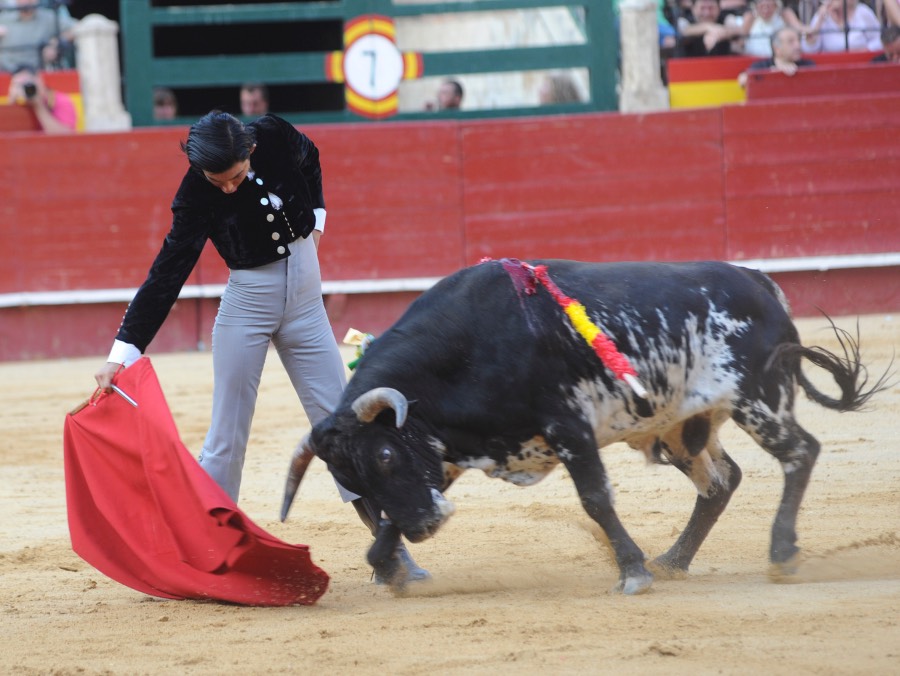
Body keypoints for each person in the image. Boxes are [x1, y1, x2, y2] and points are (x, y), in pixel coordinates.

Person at [92, 111, 429, 585]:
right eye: (216, 180)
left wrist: (317, 215)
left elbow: (311, 157)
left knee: (343, 424)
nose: (226, 188)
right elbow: (168, 272)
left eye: (232, 177)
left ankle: (388, 553)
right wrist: (122, 352)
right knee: (227, 436)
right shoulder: (195, 194)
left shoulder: (273, 135)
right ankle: (209, 556)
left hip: (307, 305)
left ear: (249, 151)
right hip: (247, 306)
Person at [0, 0, 76, 72]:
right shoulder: (4, 18)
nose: (26, 1)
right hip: (5, 73)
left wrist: (55, 43)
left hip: (40, 73)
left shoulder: (48, 17)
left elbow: (77, 29)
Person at [5, 63, 76, 132]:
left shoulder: (59, 100)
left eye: (28, 84)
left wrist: (39, 106)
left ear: (39, 79)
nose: (26, 89)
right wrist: (11, 105)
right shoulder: (18, 103)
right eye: (20, 85)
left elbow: (65, 137)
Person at [738, 26, 815, 86]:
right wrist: (772, 74)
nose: (798, 46)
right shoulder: (760, 67)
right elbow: (743, 80)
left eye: (798, 41)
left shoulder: (808, 65)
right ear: (777, 48)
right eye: (791, 42)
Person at [802, 0, 881, 52]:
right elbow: (808, 49)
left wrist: (866, 49)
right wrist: (819, 21)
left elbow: (880, 40)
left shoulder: (863, 12)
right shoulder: (822, 16)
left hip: (862, 65)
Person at [676, 0, 745, 56]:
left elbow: (737, 29)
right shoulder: (684, 18)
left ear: (719, 8)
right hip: (688, 67)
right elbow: (684, 30)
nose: (707, 13)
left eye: (711, 8)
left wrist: (716, 35)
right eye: (702, 8)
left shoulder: (726, 17)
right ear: (693, 9)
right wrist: (708, 27)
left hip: (723, 66)